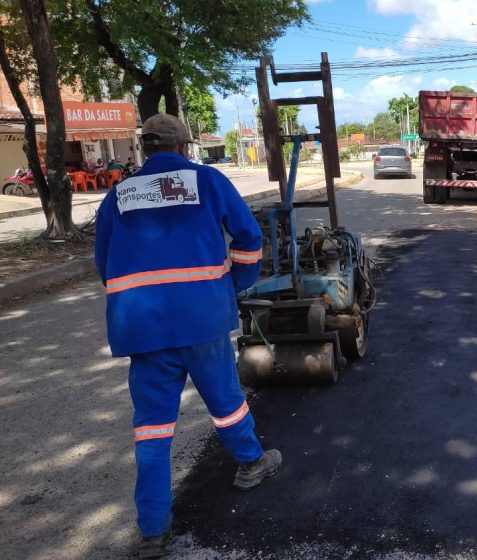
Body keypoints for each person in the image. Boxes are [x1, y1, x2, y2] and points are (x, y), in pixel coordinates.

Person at [94, 114, 280, 560]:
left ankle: (153, 531)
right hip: (200, 319)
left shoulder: (118, 195)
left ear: (144, 149)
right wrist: (234, 283)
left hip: (143, 328)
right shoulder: (206, 181)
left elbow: (104, 263)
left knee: (152, 428)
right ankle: (251, 463)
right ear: (182, 147)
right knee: (225, 401)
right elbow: (250, 238)